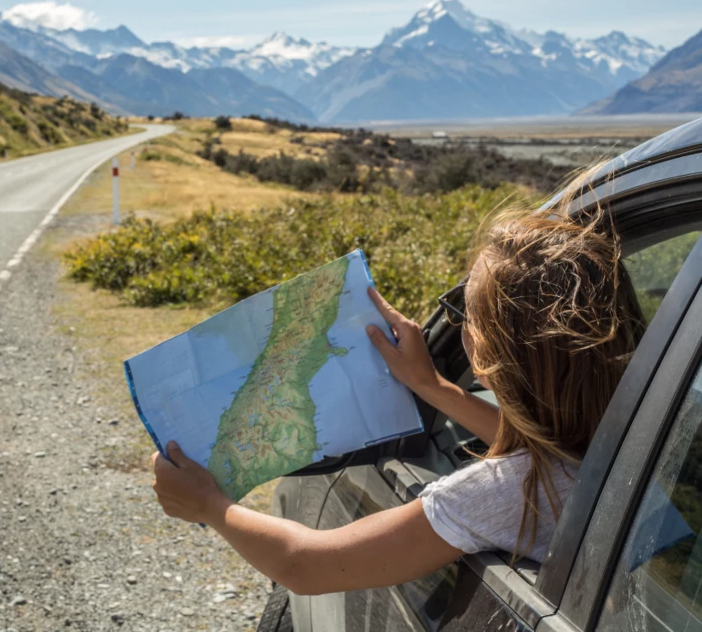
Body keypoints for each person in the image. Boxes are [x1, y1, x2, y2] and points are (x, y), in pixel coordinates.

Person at [149, 201, 645, 596]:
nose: (458, 326)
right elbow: (549, 449)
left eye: (464, 313)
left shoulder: (507, 493)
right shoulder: (633, 437)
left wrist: (211, 506)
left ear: (491, 350)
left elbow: (304, 566)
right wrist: (431, 385)